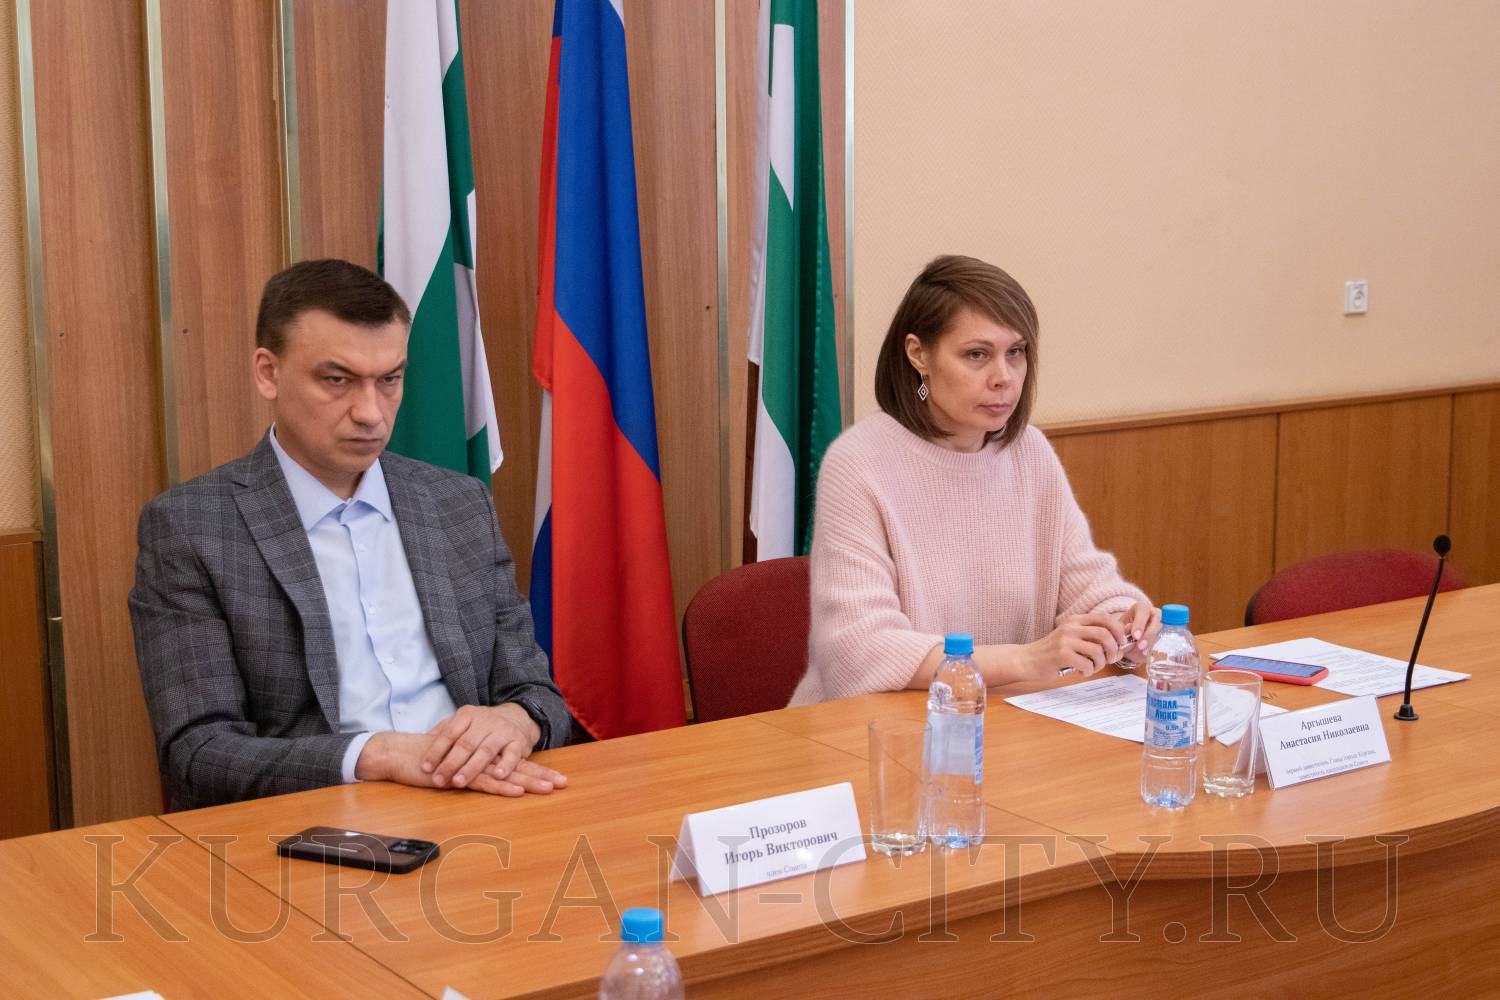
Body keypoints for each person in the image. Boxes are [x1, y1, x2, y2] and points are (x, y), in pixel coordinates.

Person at [130, 259, 570, 809]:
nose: (371, 414)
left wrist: (516, 721)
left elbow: (537, 693)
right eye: (337, 380)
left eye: (389, 380)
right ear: (268, 373)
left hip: (484, 797)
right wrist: (375, 755)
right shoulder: (191, 527)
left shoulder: (458, 504)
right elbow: (198, 752)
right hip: (316, 820)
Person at [790, 254, 1161, 705]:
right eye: (977, 355)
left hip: (1008, 716)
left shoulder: (1028, 452)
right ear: (918, 354)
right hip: (876, 725)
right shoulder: (858, 463)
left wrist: (1124, 624)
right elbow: (860, 652)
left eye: (1015, 353)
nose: (1003, 378)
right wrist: (1027, 659)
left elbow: (1089, 588)